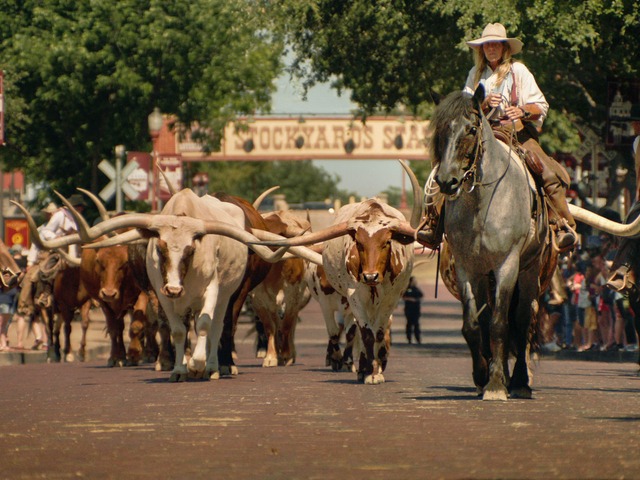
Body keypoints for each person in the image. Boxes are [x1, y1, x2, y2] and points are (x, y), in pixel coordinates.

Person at [420, 23, 577, 252]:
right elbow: (465, 110)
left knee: (545, 170)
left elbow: (541, 106)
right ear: (481, 49)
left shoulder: (518, 71)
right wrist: (482, 104)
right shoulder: (474, 74)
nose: (491, 49)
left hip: (516, 132)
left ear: (504, 48)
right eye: (487, 45)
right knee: (446, 167)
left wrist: (522, 111)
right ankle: (433, 224)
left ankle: (563, 225)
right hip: (480, 132)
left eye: (496, 44)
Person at [402, 276, 424, 344]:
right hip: (409, 310)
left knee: (416, 324)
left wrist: (416, 300)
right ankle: (409, 339)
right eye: (413, 281)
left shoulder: (416, 289)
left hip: (416, 310)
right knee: (409, 324)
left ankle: (418, 339)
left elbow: (421, 296)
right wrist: (411, 299)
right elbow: (403, 297)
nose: (415, 282)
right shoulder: (407, 289)